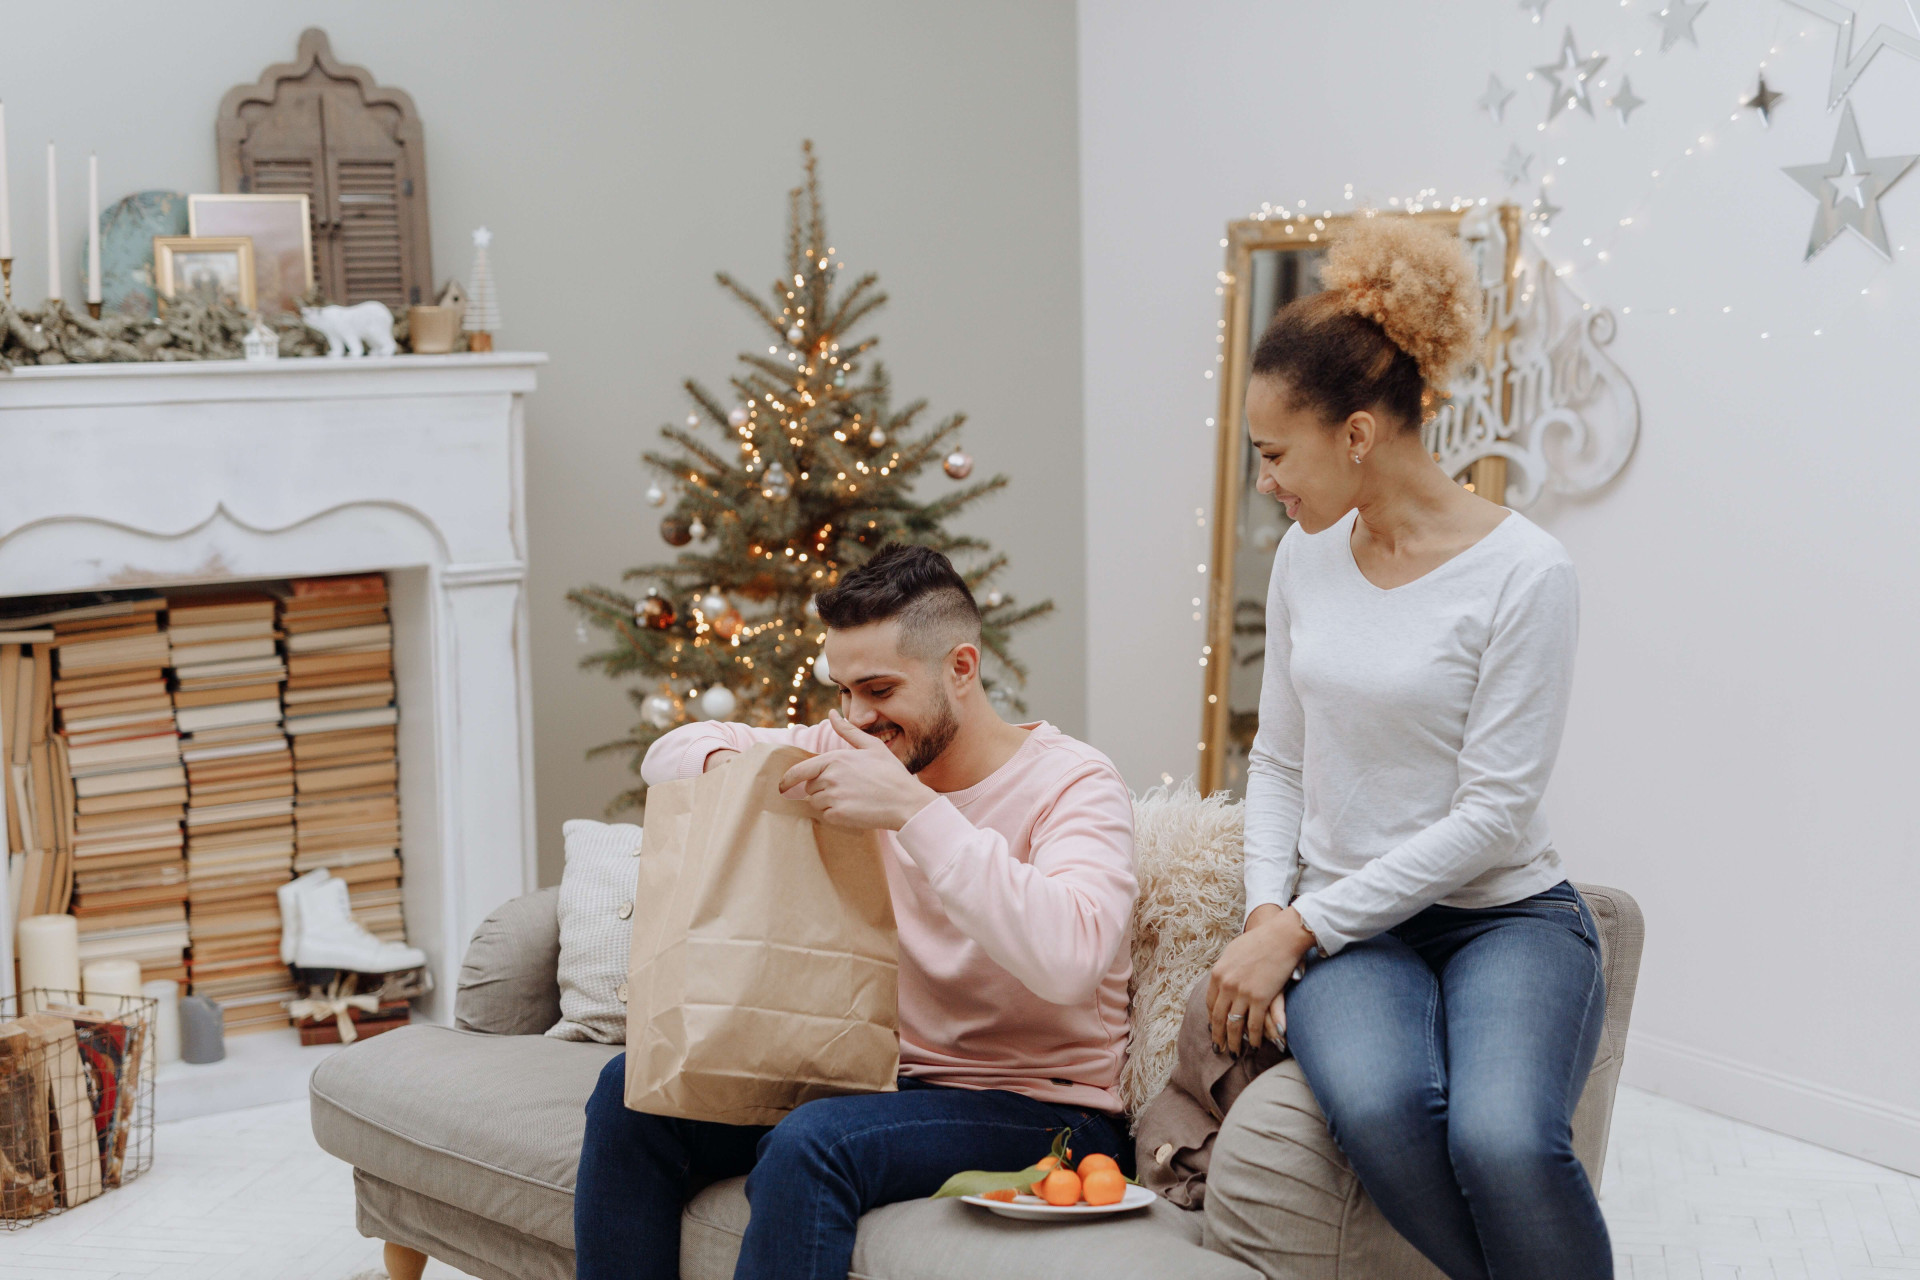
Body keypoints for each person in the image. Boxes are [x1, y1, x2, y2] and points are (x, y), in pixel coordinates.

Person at [1203, 217, 1610, 1278]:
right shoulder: (1306, 556)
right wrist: (1262, 911)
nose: (1266, 483)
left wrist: (1298, 923)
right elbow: (1280, 760)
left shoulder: (1528, 574)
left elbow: (1492, 817)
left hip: (1505, 916)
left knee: (1502, 1137)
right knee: (1385, 1105)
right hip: (1353, 933)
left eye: (1274, 453)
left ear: (1357, 434)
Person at [574, 543, 1137, 1280]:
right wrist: (740, 771)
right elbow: (673, 750)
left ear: (960, 669)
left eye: (878, 689)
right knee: (629, 1093)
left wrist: (914, 813)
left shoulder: (1075, 783)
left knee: (815, 1143)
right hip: (876, 1077)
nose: (857, 716)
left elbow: (1068, 961)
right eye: (843, 691)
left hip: (1045, 1110)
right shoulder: (860, 747)